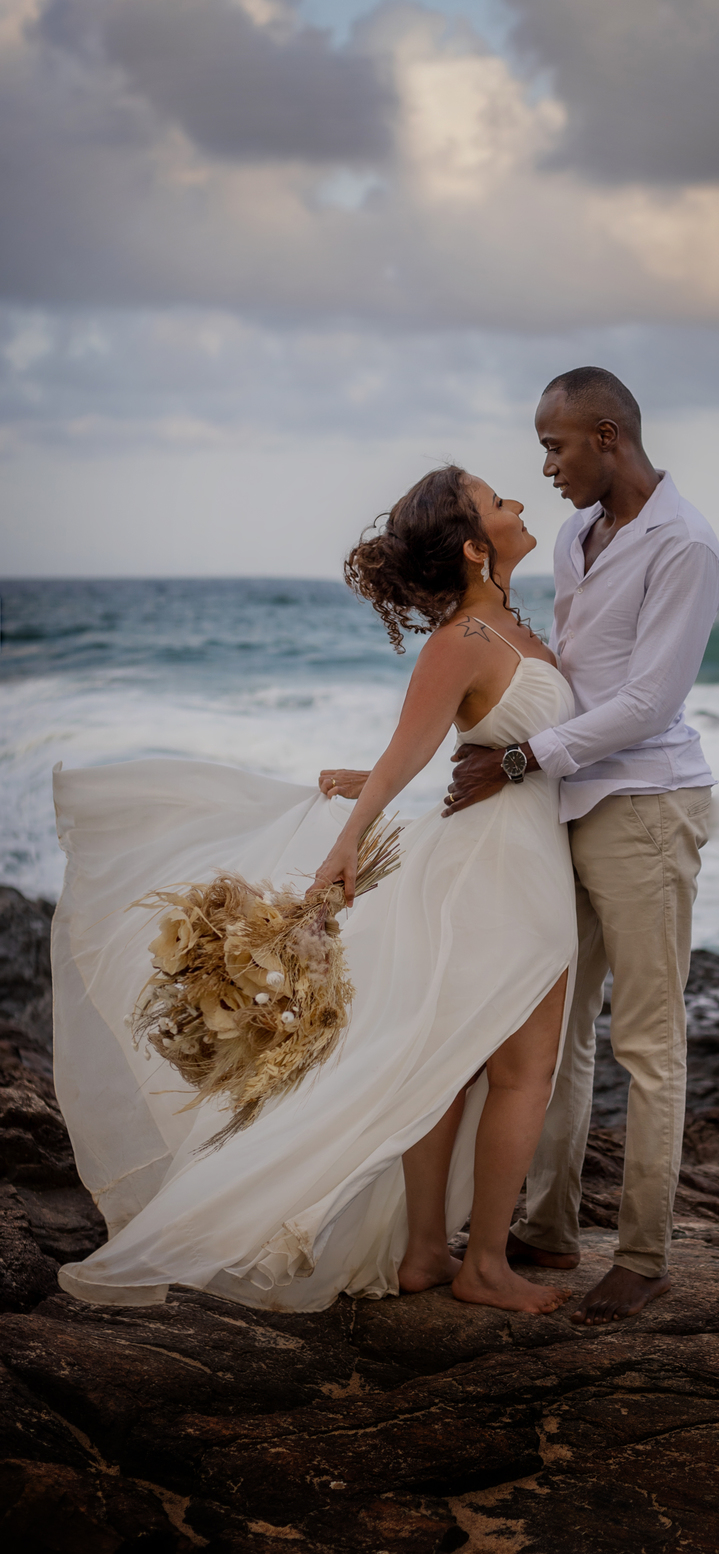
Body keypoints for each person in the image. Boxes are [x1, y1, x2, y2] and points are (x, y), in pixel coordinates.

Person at [52, 467, 578, 1315]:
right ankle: (482, 1264)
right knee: (521, 1070)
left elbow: (465, 740)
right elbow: (414, 751)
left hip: (508, 852)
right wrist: (347, 842)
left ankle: (422, 1256)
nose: (518, 501)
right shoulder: (465, 641)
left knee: (450, 1064)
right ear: (478, 547)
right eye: (498, 500)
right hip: (503, 869)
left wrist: (382, 782)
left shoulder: (506, 628)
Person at [444, 368, 719, 1324]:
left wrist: (521, 757)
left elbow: (650, 701)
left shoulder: (684, 544)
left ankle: (642, 1257)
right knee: (553, 1030)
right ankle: (549, 1227)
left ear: (607, 436)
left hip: (647, 807)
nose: (547, 467)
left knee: (648, 1041)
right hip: (563, 802)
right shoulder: (574, 535)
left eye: (556, 447)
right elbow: (569, 672)